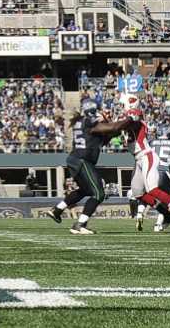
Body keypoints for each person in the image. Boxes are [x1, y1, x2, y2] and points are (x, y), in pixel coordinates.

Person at [50, 96, 132, 236]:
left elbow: (105, 137)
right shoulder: (89, 122)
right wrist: (130, 119)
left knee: (86, 190)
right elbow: (113, 127)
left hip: (75, 159)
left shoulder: (82, 122)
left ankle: (57, 209)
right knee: (99, 193)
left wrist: (114, 129)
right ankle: (79, 225)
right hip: (83, 160)